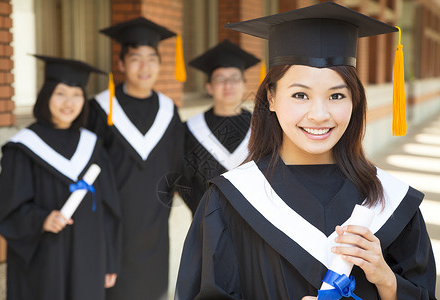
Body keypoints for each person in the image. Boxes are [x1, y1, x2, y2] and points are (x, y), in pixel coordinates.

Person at [175, 2, 437, 299]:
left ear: (355, 102)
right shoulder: (228, 201)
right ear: (270, 98)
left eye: (336, 95)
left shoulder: (389, 201)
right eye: (300, 95)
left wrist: (387, 282)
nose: (319, 114)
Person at [0, 55, 121, 300]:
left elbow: (109, 208)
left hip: (88, 258)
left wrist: (110, 260)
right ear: (46, 96)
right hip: (44, 261)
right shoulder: (24, 148)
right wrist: (41, 220)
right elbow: (8, 208)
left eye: (76, 95)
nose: (69, 103)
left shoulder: (92, 146)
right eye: (61, 93)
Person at [87, 17, 185, 300]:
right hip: (110, 224)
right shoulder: (100, 109)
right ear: (120, 64)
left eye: (152, 59)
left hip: (154, 226)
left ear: (160, 64)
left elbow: (178, 167)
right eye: (135, 59)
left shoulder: (168, 111)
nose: (145, 67)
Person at [183, 39, 260, 214]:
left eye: (234, 79)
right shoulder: (190, 129)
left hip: (254, 224)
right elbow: (185, 182)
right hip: (206, 223)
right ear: (209, 87)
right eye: (220, 79)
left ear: (244, 85)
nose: (228, 85)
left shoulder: (262, 127)